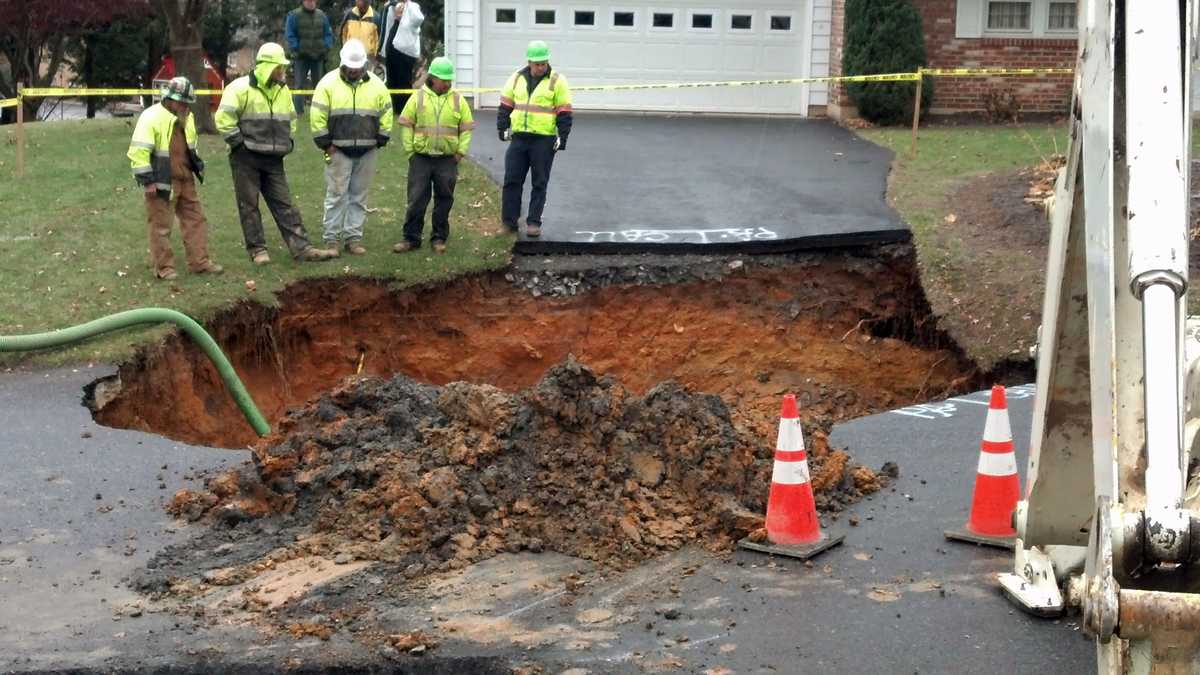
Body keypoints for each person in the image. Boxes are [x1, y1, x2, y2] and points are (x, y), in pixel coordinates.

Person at [216, 43, 338, 265]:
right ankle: (257, 250)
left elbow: (290, 119)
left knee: (285, 204)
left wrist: (287, 143)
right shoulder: (239, 88)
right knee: (249, 205)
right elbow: (223, 119)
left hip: (273, 158)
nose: (282, 71)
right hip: (246, 157)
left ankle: (302, 248)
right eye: (278, 67)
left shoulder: (283, 90)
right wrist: (239, 145)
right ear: (266, 67)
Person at [127, 77, 223, 280]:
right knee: (161, 226)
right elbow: (138, 151)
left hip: (185, 178)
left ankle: (200, 263)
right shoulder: (151, 116)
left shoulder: (186, 117)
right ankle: (164, 268)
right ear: (169, 98)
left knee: (196, 220)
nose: (185, 106)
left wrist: (195, 168)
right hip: (162, 180)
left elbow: (191, 146)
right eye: (182, 102)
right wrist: (147, 180)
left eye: (187, 102)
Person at [311, 39, 393, 255]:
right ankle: (331, 239)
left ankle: (353, 238)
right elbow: (317, 116)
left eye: (357, 67)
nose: (354, 71)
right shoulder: (327, 84)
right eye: (351, 67)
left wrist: (381, 139)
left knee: (359, 196)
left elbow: (386, 112)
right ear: (343, 64)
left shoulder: (377, 86)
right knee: (337, 195)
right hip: (338, 150)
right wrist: (326, 145)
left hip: (367, 150)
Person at [393, 56, 474, 255]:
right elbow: (405, 124)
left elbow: (466, 128)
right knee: (416, 199)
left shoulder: (457, 100)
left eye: (450, 80)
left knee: (444, 199)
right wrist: (410, 152)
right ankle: (411, 238)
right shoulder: (418, 97)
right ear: (433, 78)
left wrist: (460, 153)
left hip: (447, 160)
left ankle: (439, 237)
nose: (448, 83)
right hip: (421, 158)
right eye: (444, 80)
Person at [497, 40, 572, 238]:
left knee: (540, 182)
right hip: (520, 138)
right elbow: (505, 104)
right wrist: (502, 127)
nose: (541, 67)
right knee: (512, 180)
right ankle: (508, 223)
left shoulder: (557, 80)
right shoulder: (516, 78)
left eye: (544, 63)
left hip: (544, 140)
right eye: (537, 63)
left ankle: (533, 222)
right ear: (529, 62)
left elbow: (564, 111)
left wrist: (562, 136)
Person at [285, 0, 333, 114]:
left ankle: (319, 111)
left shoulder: (322, 16)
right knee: (299, 85)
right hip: (301, 57)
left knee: (319, 86)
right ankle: (298, 112)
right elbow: (290, 34)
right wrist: (297, 47)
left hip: (318, 57)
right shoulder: (294, 15)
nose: (311, 2)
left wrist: (326, 47)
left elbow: (328, 34)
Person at [379, 0, 424, 114]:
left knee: (404, 83)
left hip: (405, 51)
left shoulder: (413, 7)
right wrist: (381, 50)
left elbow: (418, 20)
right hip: (392, 47)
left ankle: (405, 111)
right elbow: (385, 29)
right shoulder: (390, 6)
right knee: (392, 82)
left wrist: (405, 7)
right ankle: (392, 110)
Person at [340, 0, 380, 67]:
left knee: (367, 76)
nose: (360, 6)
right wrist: (344, 49)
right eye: (358, 2)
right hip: (350, 54)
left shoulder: (376, 17)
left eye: (363, 5)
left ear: (368, 3)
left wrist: (376, 56)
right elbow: (343, 34)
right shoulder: (349, 14)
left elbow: (379, 39)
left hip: (369, 57)